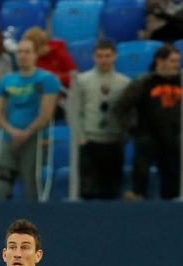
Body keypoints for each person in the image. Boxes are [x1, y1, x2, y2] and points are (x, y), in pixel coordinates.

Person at [0, 37, 60, 200]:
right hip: (9, 139)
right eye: (19, 52)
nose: (22, 55)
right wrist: (11, 131)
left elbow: (45, 114)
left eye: (27, 52)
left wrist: (25, 134)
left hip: (34, 140)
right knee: (0, 186)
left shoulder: (47, 80)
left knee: (31, 188)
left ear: (35, 55)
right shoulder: (6, 80)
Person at [113, 44, 182, 200]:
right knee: (141, 177)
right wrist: (132, 130)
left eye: (178, 61)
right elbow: (120, 108)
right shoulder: (144, 82)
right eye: (172, 61)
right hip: (147, 137)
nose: (176, 65)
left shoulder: (181, 81)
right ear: (160, 61)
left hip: (174, 139)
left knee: (173, 179)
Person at [76, 40, 130, 200]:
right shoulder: (82, 80)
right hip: (90, 141)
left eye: (108, 56)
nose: (104, 59)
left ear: (115, 57)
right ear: (94, 57)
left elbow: (128, 114)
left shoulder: (124, 82)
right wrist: (81, 137)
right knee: (88, 192)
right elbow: (75, 112)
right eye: (100, 56)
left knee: (112, 193)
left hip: (114, 142)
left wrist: (123, 137)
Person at [21, 27, 77, 91]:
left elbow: (74, 76)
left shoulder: (59, 51)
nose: (33, 54)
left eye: (35, 50)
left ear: (42, 45)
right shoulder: (33, 58)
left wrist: (54, 78)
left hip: (63, 91)